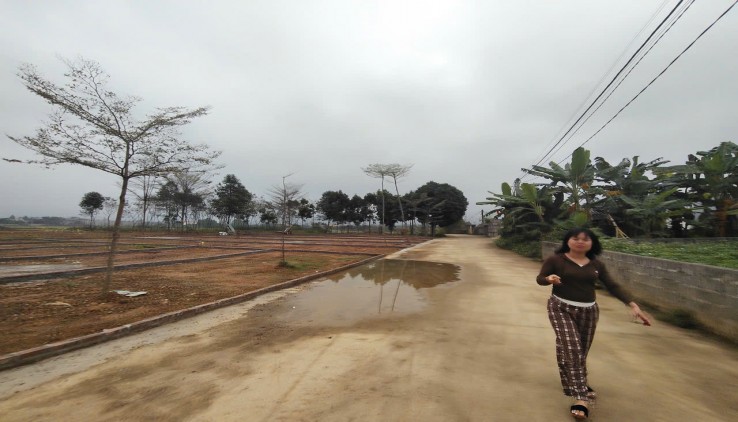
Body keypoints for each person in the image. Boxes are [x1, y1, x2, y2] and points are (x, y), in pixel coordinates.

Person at [537, 228, 652, 420]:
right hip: (560, 307)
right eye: (575, 238)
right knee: (572, 347)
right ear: (568, 241)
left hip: (589, 311)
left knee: (580, 351)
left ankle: (579, 382)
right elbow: (540, 279)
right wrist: (548, 279)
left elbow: (612, 286)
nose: (580, 242)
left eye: (585, 239)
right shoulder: (556, 260)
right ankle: (581, 397)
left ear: (592, 243)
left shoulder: (597, 264)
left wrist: (632, 304)